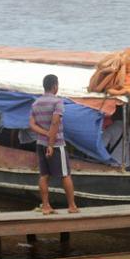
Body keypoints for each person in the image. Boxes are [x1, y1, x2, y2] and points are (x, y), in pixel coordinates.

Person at [28, 74, 79, 215]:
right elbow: (55, 122)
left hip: (40, 143)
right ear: (55, 86)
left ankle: (45, 206)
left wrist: (44, 133)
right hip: (56, 144)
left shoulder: (35, 103)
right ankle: (72, 206)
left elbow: (31, 124)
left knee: (44, 175)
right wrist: (50, 142)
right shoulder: (58, 102)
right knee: (65, 174)